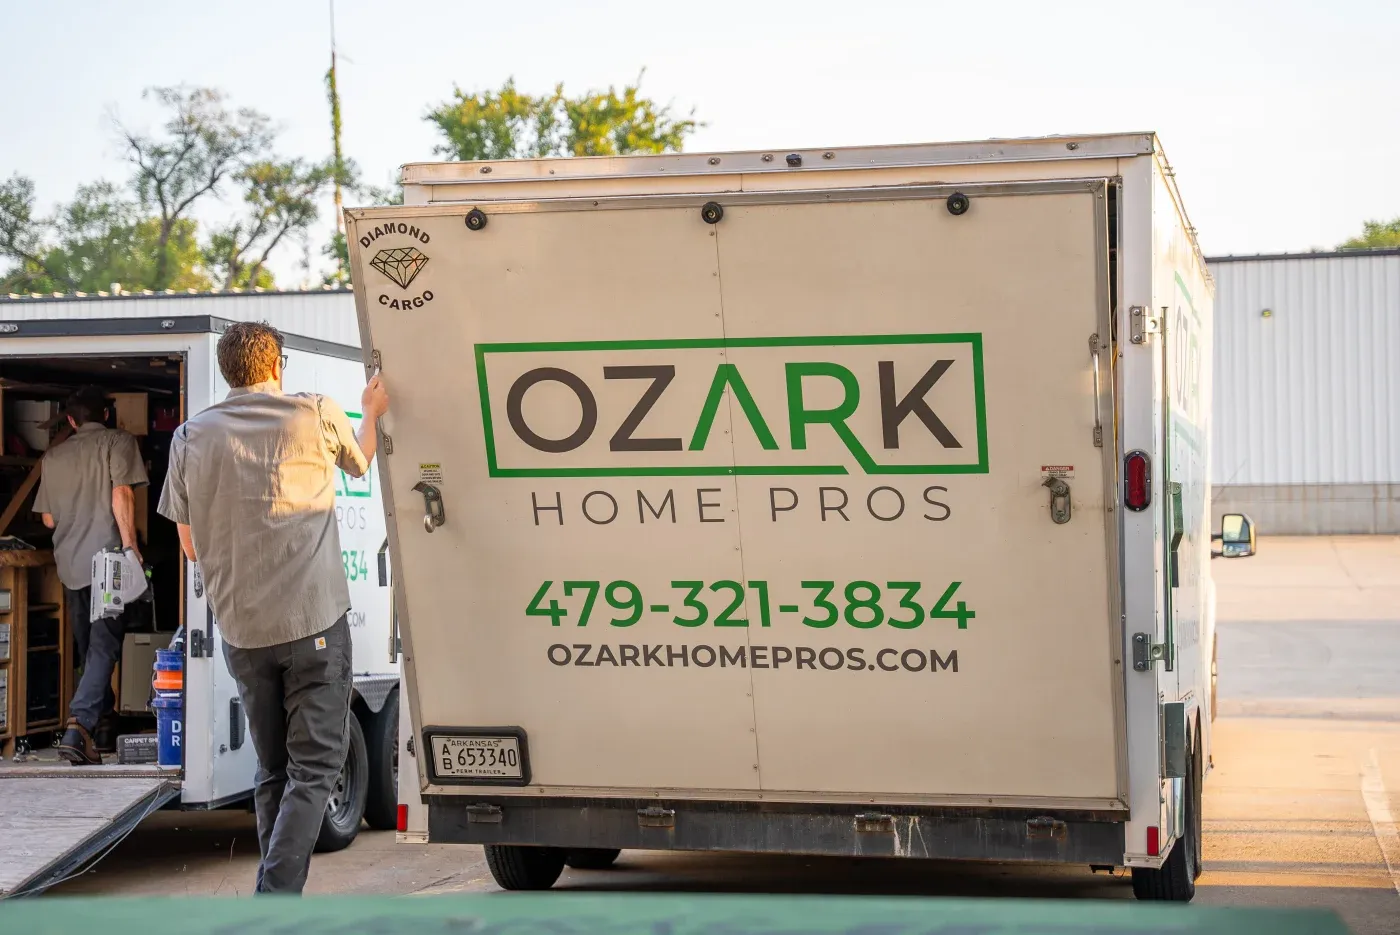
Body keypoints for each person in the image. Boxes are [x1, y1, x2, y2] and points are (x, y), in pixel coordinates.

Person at [157, 321, 389, 895]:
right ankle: (275, 903)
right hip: (313, 622)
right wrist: (373, 411)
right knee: (314, 769)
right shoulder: (313, 412)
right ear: (277, 365)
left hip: (242, 630)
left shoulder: (189, 437)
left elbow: (188, 544)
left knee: (272, 770)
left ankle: (274, 898)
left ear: (228, 371)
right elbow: (360, 462)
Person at [34, 386, 148, 765]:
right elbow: (122, 495)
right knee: (103, 647)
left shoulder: (53, 457)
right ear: (107, 414)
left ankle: (104, 723)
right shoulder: (118, 441)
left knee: (90, 647)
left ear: (70, 420)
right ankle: (79, 725)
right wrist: (131, 549)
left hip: (71, 567)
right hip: (109, 565)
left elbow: (48, 518)